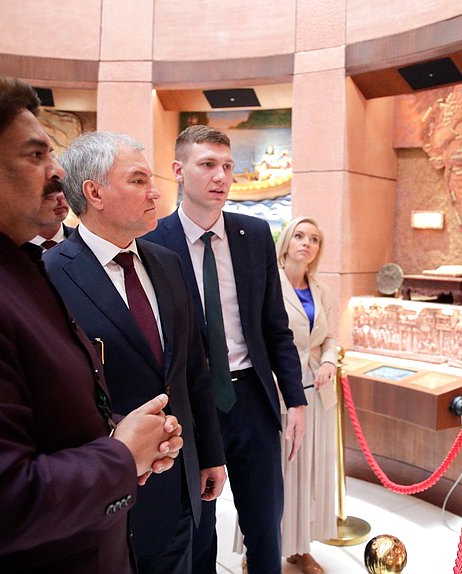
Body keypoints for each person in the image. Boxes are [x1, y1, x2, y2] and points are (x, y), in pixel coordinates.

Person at [0, 70, 183, 573]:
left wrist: (124, 435)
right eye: (35, 155)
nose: (57, 172)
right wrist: (121, 457)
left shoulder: (7, 263)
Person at [44, 131, 227, 574]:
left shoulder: (167, 262)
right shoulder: (49, 274)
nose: (157, 191)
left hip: (177, 483)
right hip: (103, 494)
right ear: (94, 192)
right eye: (139, 179)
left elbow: (192, 368)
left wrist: (210, 454)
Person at [144, 125, 307, 574]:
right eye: (207, 165)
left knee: (263, 523)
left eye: (228, 166)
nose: (221, 176)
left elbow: (276, 327)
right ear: (179, 171)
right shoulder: (151, 242)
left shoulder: (254, 235)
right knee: (198, 528)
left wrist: (295, 399)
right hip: (191, 407)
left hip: (252, 396)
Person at [275, 217, 339, 573]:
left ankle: (300, 547)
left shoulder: (322, 290)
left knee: (310, 473)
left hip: (319, 391)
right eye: (299, 236)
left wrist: (329, 360)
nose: (306, 243)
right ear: (286, 243)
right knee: (277, 473)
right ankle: (258, 547)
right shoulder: (270, 285)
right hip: (280, 391)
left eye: (314, 238)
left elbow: (331, 337)